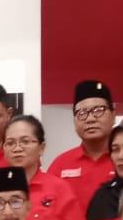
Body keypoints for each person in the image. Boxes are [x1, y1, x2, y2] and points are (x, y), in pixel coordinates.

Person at [48, 79, 117, 208]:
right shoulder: (61, 164)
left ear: (113, 115)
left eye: (98, 110)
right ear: (74, 121)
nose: (90, 119)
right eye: (82, 113)